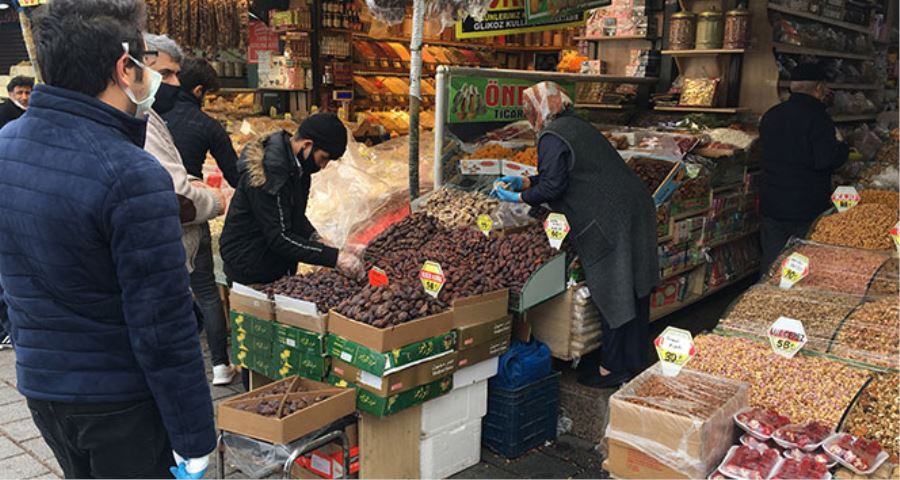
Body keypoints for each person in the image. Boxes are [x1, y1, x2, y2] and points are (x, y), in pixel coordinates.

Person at [0, 1, 214, 478]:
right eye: (147, 67)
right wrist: (194, 436)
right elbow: (162, 324)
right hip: (118, 400)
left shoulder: (6, 145)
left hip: (41, 385)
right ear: (125, 68)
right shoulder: (132, 174)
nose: (152, 80)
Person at [492, 82, 659, 388]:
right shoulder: (574, 126)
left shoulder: (552, 136)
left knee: (614, 286)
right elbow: (564, 174)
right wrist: (527, 183)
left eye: (530, 110)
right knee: (634, 286)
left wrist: (519, 198)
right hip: (635, 207)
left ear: (540, 110)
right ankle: (633, 361)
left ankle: (612, 368)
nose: (530, 117)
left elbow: (555, 186)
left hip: (611, 219)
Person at [162, 56, 239, 386]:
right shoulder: (207, 125)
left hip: (150, 214)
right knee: (206, 290)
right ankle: (221, 365)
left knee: (164, 288)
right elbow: (237, 174)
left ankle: (173, 361)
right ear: (197, 90)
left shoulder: (149, 118)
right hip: (192, 213)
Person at [143, 33, 226, 273]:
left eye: (177, 74)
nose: (176, 84)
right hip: (164, 265)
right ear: (132, 70)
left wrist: (192, 181)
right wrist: (214, 201)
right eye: (166, 74)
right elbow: (178, 198)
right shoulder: (142, 122)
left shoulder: (149, 117)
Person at [758, 63, 849, 271]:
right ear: (818, 88)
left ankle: (765, 297)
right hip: (806, 205)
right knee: (802, 259)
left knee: (773, 259)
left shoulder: (771, 115)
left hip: (772, 201)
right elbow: (826, 160)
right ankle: (794, 300)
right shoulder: (819, 119)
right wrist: (843, 147)